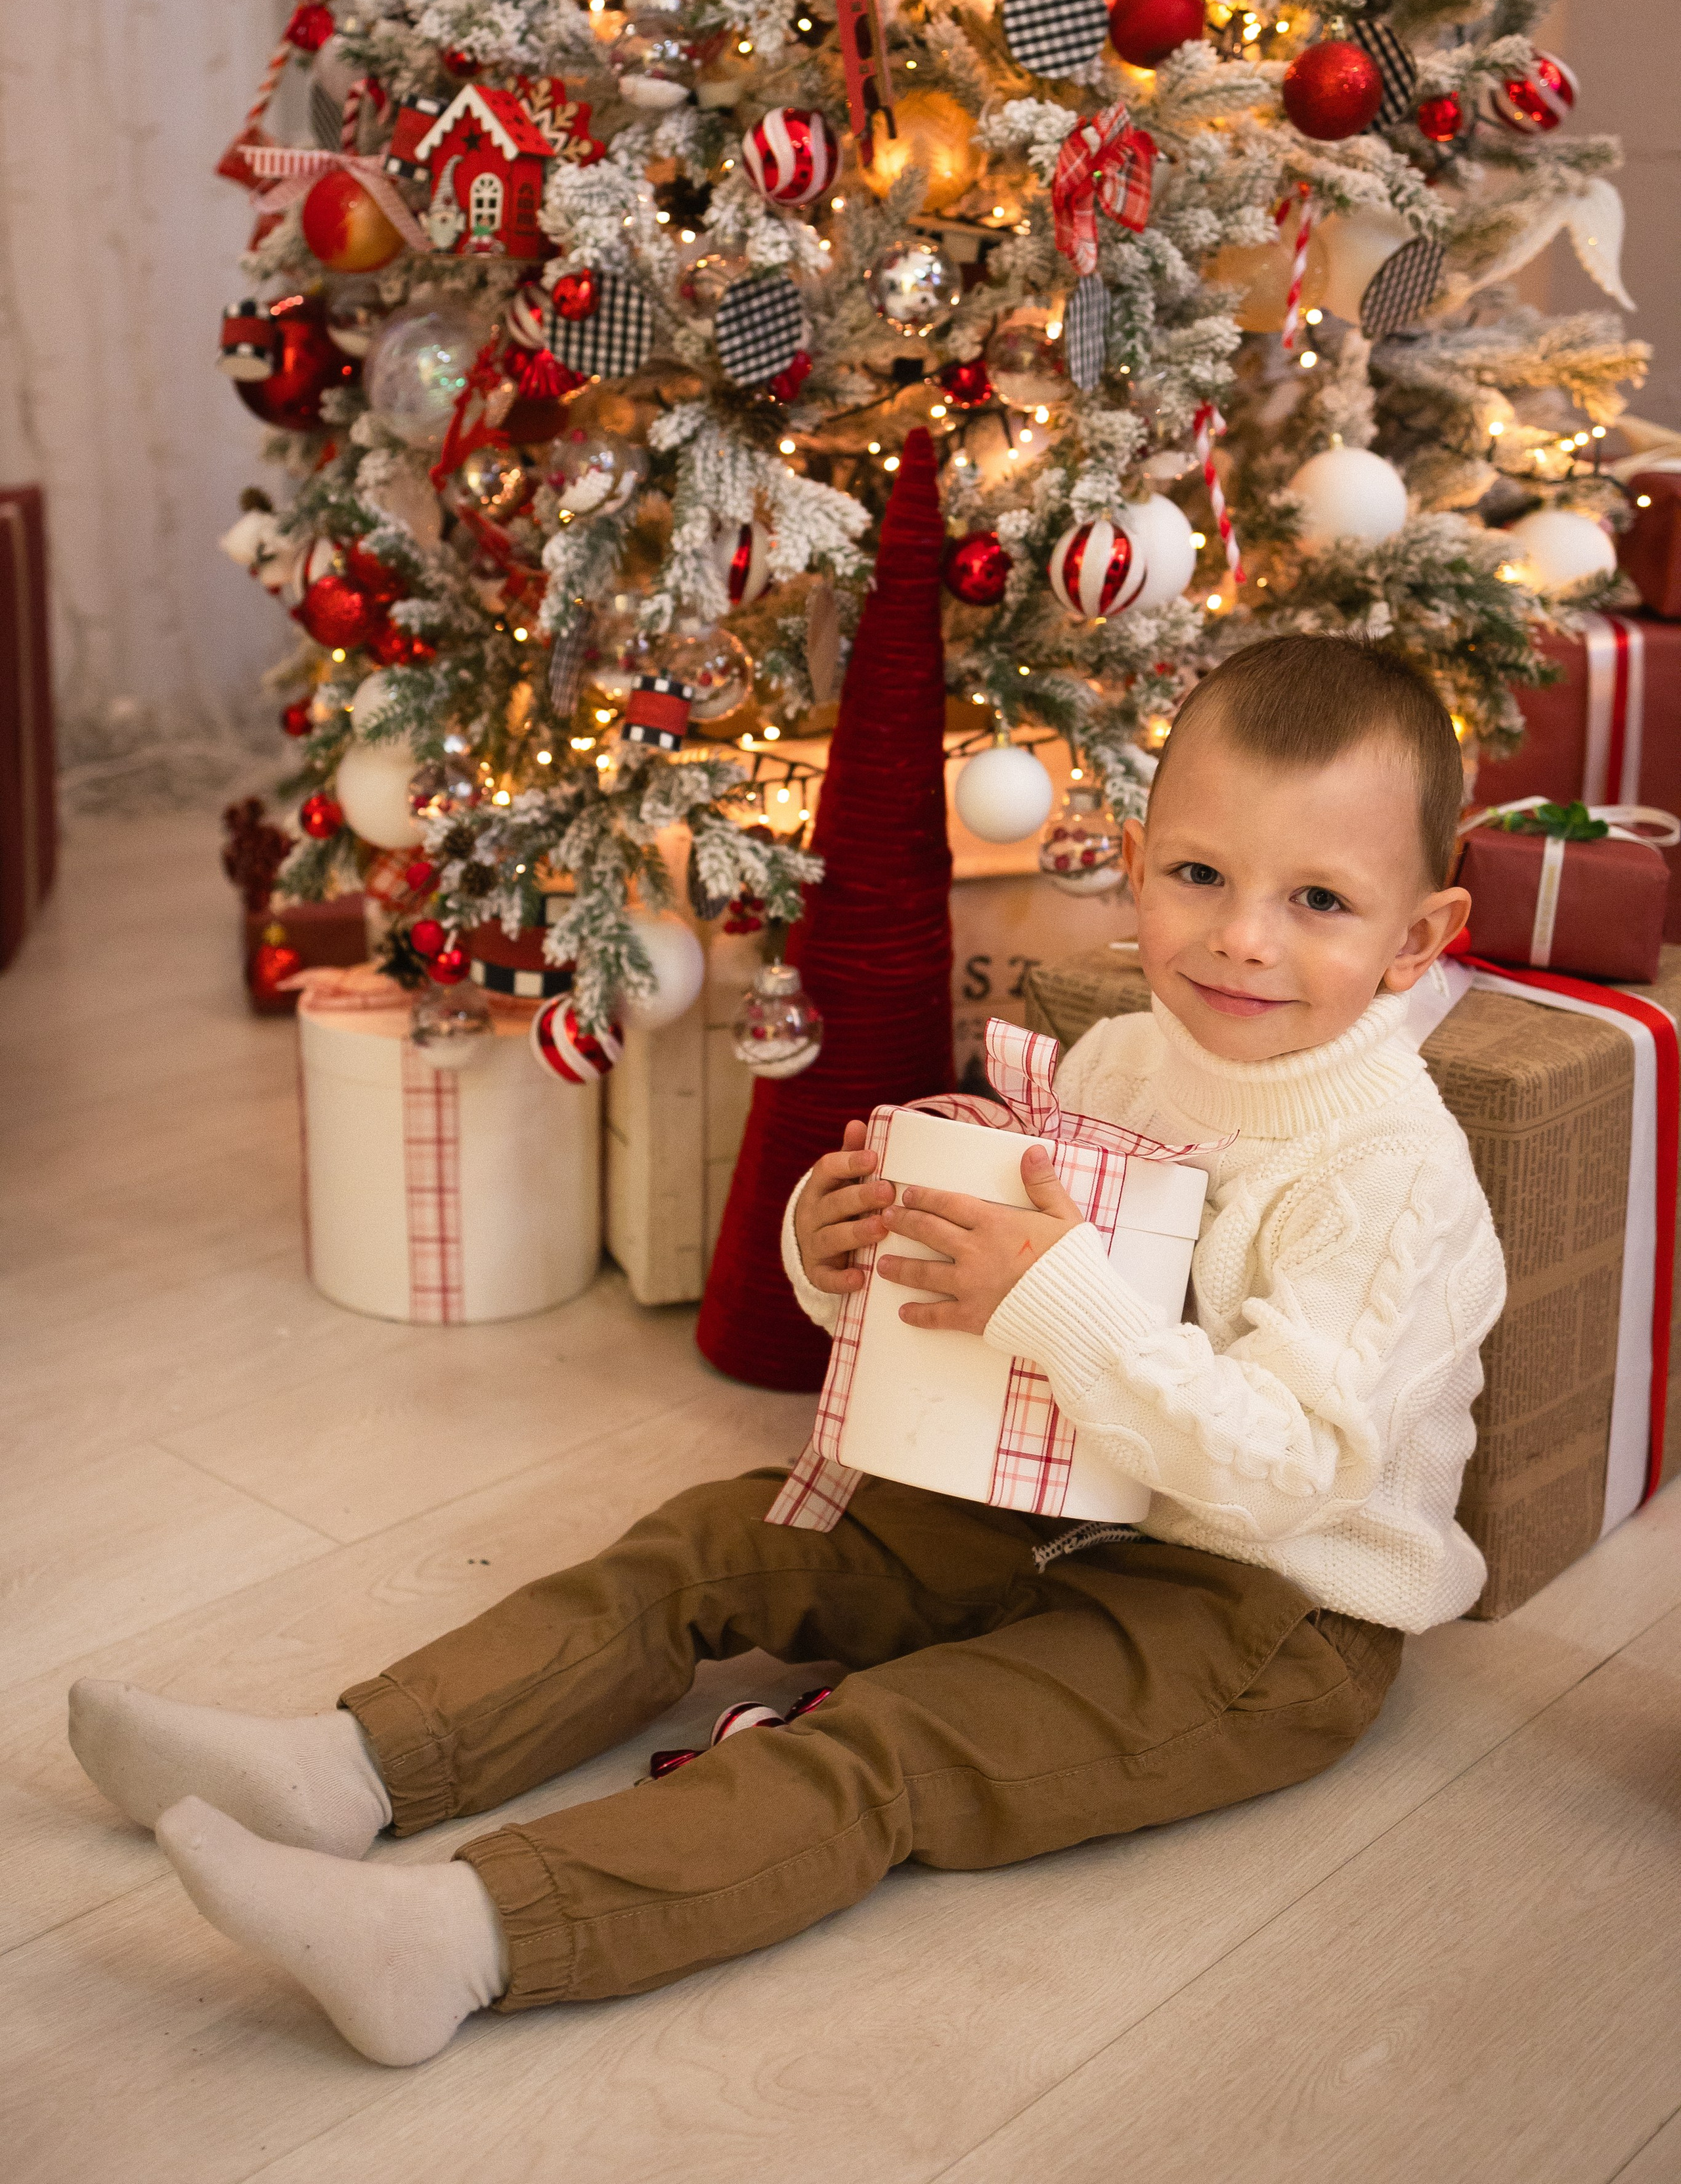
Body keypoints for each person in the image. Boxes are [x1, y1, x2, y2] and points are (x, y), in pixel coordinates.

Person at [68, 634, 1504, 2066]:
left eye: (1317, 900)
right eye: (1199, 875)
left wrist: (1055, 1294)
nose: (1243, 936)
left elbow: (1287, 1473)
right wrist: (840, 1268)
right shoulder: (1120, 1058)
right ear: (1133, 862)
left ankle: (468, 1937)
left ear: (1415, 936)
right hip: (1061, 1500)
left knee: (889, 1741)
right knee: (715, 1539)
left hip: (1256, 1607)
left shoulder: (1386, 1174)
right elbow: (981, 1318)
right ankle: (346, 1767)